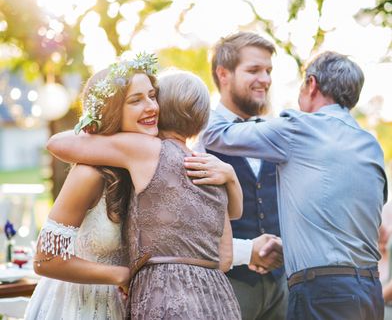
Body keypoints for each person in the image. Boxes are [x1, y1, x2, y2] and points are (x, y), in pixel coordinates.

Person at [26, 56, 239, 319]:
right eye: (136, 100)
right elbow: (45, 260)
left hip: (137, 303)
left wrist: (229, 176)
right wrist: (122, 275)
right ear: (114, 110)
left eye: (152, 96)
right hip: (81, 305)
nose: (151, 107)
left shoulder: (154, 171)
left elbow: (192, 247)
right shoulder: (89, 173)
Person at [203, 51, 388, 320]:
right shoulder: (370, 144)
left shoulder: (297, 129)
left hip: (322, 293)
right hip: (369, 291)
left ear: (311, 84)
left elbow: (215, 134)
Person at [195, 31, 287, 320]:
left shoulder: (278, 132)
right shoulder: (197, 134)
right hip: (225, 285)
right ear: (224, 74)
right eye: (254, 70)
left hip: (280, 286)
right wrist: (246, 252)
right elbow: (190, 222)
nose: (265, 79)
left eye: (269, 71)